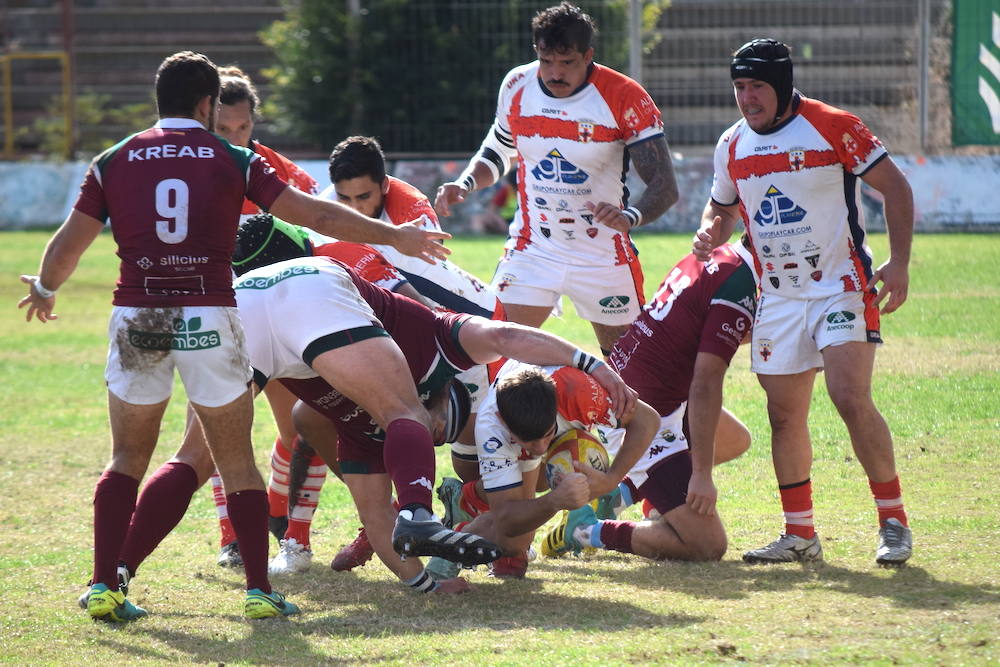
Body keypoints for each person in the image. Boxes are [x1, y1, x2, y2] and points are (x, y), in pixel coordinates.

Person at [17, 51, 449, 623]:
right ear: (206, 105)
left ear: (159, 102)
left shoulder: (113, 158)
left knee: (127, 457)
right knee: (235, 457)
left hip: (138, 315)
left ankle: (104, 584)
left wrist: (46, 288)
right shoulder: (232, 155)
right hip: (210, 312)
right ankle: (257, 591)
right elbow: (317, 217)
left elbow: (70, 242)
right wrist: (393, 235)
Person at [106, 245, 636, 595]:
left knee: (193, 460)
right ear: (444, 393)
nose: (430, 435)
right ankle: (422, 513)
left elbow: (375, 519)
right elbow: (504, 336)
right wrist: (587, 361)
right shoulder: (438, 340)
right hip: (315, 283)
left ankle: (113, 575)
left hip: (251, 301)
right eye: (439, 425)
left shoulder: (365, 435)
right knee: (399, 412)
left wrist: (425, 585)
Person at [692, 39, 915, 566]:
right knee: (784, 415)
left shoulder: (833, 124)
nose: (747, 98)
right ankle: (800, 535)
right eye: (740, 87)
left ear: (783, 85)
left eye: (758, 87)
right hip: (779, 297)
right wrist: (709, 231)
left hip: (840, 285)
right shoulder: (732, 144)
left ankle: (893, 522)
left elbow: (896, 188)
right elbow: (721, 210)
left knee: (849, 396)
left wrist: (900, 261)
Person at [434, 2, 679, 356]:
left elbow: (664, 184)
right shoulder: (517, 84)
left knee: (630, 367)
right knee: (493, 351)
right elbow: (499, 150)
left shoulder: (624, 96)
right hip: (533, 248)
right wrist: (466, 182)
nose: (555, 73)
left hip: (602, 253)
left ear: (588, 55)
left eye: (567, 63)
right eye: (547, 61)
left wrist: (629, 217)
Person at [541, 237, 757, 562]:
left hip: (648, 392)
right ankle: (585, 531)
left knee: (734, 440)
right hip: (638, 413)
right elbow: (705, 385)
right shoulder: (739, 279)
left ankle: (618, 492)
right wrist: (701, 476)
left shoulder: (721, 257)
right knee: (707, 545)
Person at [207, 64, 322, 568]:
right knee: (219, 428)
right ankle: (231, 534)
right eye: (223, 130)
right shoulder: (188, 174)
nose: (235, 140)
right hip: (214, 316)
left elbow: (315, 235)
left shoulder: (278, 174)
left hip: (279, 318)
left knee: (304, 429)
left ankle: (290, 530)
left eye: (243, 129)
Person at [431, 358, 659, 579]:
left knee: (538, 488)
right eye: (530, 441)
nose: (541, 450)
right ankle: (455, 540)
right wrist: (554, 501)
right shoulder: (491, 427)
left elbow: (647, 420)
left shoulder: (580, 392)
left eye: (547, 435)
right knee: (514, 542)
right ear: (502, 420)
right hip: (512, 409)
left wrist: (612, 480)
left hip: (560, 390)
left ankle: (468, 499)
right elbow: (507, 521)